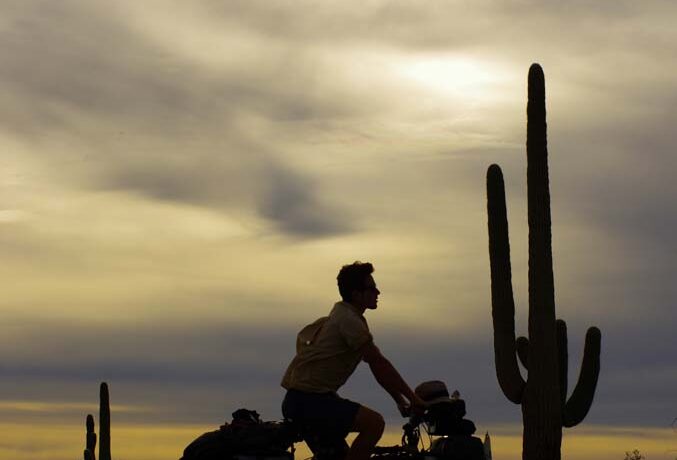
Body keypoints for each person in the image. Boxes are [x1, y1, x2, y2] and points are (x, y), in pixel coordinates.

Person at [281, 261, 426, 460]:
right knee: (374, 424)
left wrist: (400, 400)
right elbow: (379, 363)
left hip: (304, 400)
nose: (378, 292)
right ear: (357, 294)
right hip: (310, 401)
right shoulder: (349, 321)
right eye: (372, 288)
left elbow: (377, 366)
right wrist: (413, 398)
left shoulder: (342, 315)